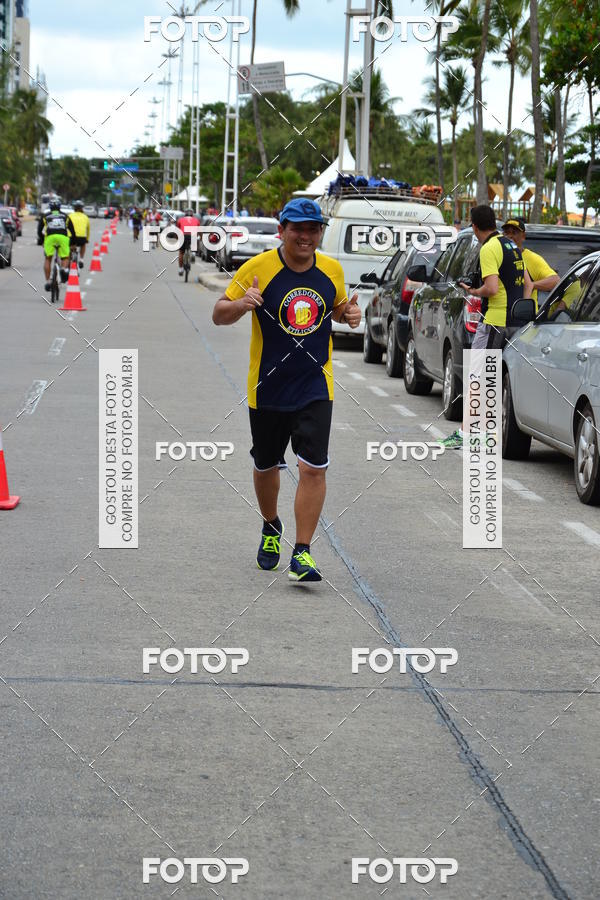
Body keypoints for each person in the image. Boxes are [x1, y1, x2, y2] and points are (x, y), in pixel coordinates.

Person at [212, 198, 361, 582]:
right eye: (298, 228)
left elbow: (339, 309)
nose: (305, 236)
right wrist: (243, 304)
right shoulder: (258, 268)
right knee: (266, 465)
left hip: (315, 386)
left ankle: (303, 552)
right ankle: (270, 525)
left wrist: (351, 314)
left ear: (319, 233)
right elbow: (218, 313)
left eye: (313, 229)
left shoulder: (331, 270)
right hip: (267, 387)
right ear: (282, 230)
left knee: (313, 467)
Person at [439, 204, 533, 450]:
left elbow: (490, 288)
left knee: (478, 377)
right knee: (495, 378)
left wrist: (472, 290)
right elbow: (528, 285)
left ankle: (468, 433)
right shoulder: (512, 246)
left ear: (474, 226)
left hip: (494, 321)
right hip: (514, 320)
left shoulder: (489, 248)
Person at [38, 201, 70, 290]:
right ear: (60, 208)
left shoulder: (45, 216)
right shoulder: (65, 216)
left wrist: (41, 240)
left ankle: (48, 282)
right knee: (65, 257)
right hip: (62, 237)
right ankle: (63, 269)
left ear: (50, 208)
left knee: (48, 258)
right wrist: (73, 242)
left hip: (50, 238)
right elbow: (72, 229)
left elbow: (39, 230)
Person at [177, 207, 201, 274]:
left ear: (185, 214)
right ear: (192, 214)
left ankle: (180, 269)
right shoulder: (196, 220)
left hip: (183, 236)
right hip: (193, 235)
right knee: (196, 239)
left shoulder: (180, 219)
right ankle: (193, 252)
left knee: (181, 252)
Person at [66, 200, 90, 268]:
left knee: (69, 248)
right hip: (81, 238)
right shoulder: (85, 217)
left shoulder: (70, 216)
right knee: (83, 244)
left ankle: (68, 260)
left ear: (74, 208)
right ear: (82, 208)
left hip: (71, 237)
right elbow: (88, 230)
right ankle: (81, 259)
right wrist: (87, 239)